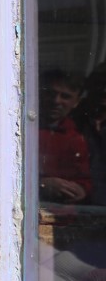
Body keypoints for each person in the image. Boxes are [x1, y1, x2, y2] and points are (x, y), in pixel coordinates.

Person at [39, 67, 92, 203]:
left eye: (65, 96)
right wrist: (41, 184)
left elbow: (86, 179)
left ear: (76, 102)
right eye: (50, 94)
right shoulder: (22, 130)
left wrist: (81, 189)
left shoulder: (78, 137)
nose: (56, 101)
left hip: (63, 217)